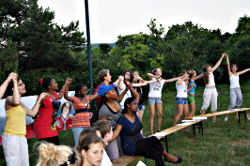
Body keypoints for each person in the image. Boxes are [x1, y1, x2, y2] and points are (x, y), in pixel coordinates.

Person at [112, 97, 182, 166]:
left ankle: (166, 155)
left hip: (140, 142)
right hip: (131, 147)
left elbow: (137, 130)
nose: (137, 106)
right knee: (155, 147)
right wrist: (104, 142)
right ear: (128, 105)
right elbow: (115, 134)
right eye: (134, 104)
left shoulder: (135, 116)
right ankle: (166, 156)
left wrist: (143, 138)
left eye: (137, 104)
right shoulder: (122, 120)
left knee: (155, 146)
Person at [3, 76, 46, 166]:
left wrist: (39, 100)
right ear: (13, 88)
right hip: (11, 137)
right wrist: (14, 82)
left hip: (22, 137)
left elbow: (33, 113)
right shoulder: (9, 99)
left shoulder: (21, 103)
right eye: (20, 84)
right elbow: (15, 101)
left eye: (23, 83)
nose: (24, 85)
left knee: (25, 164)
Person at [98, 82, 139, 160]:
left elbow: (121, 96)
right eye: (112, 91)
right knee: (115, 156)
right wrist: (107, 141)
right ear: (107, 95)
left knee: (122, 153)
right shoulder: (103, 110)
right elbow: (103, 128)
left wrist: (127, 88)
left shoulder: (116, 101)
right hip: (110, 134)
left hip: (120, 131)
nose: (115, 91)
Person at [64, 78, 100, 145]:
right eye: (84, 91)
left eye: (87, 90)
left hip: (87, 124)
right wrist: (67, 84)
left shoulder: (87, 98)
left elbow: (98, 94)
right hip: (77, 124)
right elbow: (66, 96)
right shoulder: (75, 99)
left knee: (87, 143)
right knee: (78, 144)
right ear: (79, 92)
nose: (86, 92)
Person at [147, 68, 184, 134]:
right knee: (152, 115)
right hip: (151, 97)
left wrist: (181, 77)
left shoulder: (162, 80)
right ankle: (151, 132)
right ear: (155, 73)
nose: (161, 71)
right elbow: (148, 74)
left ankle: (158, 130)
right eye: (159, 71)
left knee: (160, 114)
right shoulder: (152, 79)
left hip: (158, 98)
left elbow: (172, 79)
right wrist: (156, 77)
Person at [34, 77, 67, 145]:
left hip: (52, 126)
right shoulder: (43, 96)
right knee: (48, 152)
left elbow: (60, 96)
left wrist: (66, 84)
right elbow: (35, 109)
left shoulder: (54, 94)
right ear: (49, 86)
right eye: (54, 83)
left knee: (56, 149)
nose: (57, 84)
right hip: (43, 126)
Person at [197, 53, 226, 122]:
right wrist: (187, 79)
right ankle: (201, 118)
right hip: (208, 90)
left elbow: (217, 64)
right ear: (206, 69)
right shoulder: (204, 74)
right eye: (209, 67)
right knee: (206, 104)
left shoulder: (212, 71)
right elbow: (195, 78)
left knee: (214, 104)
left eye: (210, 66)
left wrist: (222, 57)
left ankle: (214, 118)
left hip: (214, 90)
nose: (210, 67)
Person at [223, 54, 250, 121]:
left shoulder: (238, 73)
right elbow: (228, 65)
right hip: (232, 89)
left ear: (237, 68)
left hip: (238, 89)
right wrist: (227, 57)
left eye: (235, 67)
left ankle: (237, 116)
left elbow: (246, 70)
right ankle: (226, 116)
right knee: (232, 103)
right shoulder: (230, 74)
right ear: (231, 69)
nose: (234, 68)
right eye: (233, 67)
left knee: (239, 100)